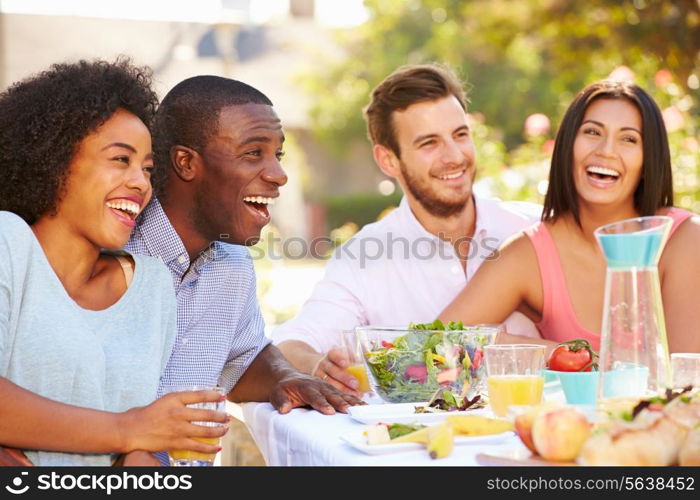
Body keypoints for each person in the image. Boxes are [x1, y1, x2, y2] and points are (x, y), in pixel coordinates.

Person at [0, 59, 227, 466]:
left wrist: (142, 456)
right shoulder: (7, 243)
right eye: (121, 160)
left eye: (148, 169)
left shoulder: (152, 287)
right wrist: (128, 428)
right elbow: (134, 428)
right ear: (54, 160)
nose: (141, 182)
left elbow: (137, 450)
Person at [273, 64, 542, 395]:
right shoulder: (364, 258)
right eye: (429, 143)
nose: (455, 156)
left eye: (460, 135)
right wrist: (316, 365)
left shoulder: (532, 228)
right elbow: (291, 342)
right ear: (388, 161)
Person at [124, 75, 362, 431]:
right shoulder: (117, 252)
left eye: (277, 155)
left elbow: (241, 359)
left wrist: (284, 376)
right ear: (186, 163)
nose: (279, 175)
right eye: (253, 153)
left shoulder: (232, 262)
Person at [440, 80, 700, 354]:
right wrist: (551, 353)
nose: (606, 151)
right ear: (567, 146)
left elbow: (686, 382)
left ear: (648, 160)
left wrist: (562, 357)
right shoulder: (529, 255)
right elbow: (429, 348)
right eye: (592, 132)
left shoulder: (685, 240)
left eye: (629, 139)